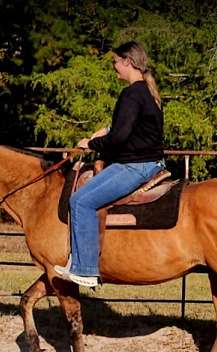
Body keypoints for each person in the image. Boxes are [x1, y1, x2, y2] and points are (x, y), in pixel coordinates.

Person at [54, 41, 165, 287]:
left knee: (80, 201)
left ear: (127, 61)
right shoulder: (146, 93)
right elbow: (122, 129)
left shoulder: (132, 93)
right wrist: (100, 134)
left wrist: (91, 146)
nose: (114, 66)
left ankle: (85, 269)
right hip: (146, 163)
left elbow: (119, 137)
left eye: (116, 61)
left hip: (135, 166)